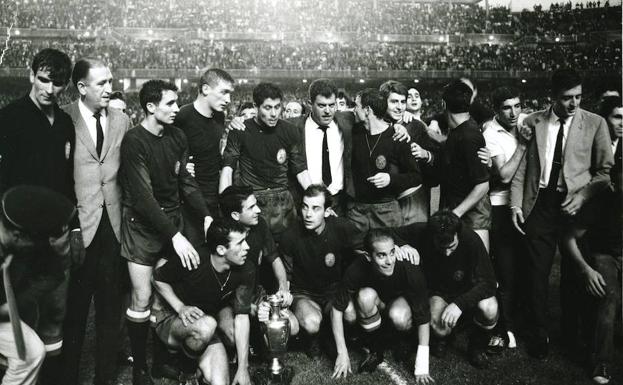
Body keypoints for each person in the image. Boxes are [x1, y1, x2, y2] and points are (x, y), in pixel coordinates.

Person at [510, 69, 613, 359]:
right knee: (536, 273)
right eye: (567, 98)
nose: (574, 103)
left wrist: (582, 196)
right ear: (552, 97)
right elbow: (522, 170)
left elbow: (605, 172)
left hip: (576, 206)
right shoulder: (532, 122)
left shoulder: (595, 123)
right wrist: (516, 205)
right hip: (540, 204)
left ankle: (571, 335)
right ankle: (538, 334)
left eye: (578, 96)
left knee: (573, 274)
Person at [119, 80, 212, 385]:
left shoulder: (177, 136)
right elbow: (144, 199)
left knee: (170, 291)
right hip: (143, 227)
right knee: (143, 297)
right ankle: (140, 368)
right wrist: (175, 235)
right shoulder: (134, 140)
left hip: (172, 222)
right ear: (150, 107)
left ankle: (161, 361)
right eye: (170, 103)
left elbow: (185, 181)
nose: (176, 109)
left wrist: (207, 216)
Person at [0, 48, 83, 384]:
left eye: (58, 83)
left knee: (55, 313)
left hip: (54, 234)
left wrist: (71, 225)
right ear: (32, 75)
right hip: (18, 234)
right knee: (19, 314)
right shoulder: (9, 117)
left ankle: (49, 379)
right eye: (44, 80)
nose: (49, 89)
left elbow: (67, 178)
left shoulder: (64, 123)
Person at [60, 58, 131, 385]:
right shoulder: (63, 118)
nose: (109, 88)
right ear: (81, 87)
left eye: (110, 81)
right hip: (78, 228)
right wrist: (69, 224)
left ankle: (105, 379)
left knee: (108, 311)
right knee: (73, 315)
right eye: (101, 83)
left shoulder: (121, 120)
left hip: (113, 227)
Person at [560, 96, 621, 385]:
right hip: (600, 250)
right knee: (603, 294)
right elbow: (571, 237)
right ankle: (601, 363)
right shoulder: (605, 191)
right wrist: (586, 268)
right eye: (617, 117)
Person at [152, 219, 255, 385]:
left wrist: (243, 368)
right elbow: (157, 278)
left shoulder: (246, 268)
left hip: (205, 324)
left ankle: (195, 360)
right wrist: (180, 307)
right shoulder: (195, 258)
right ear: (221, 249)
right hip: (171, 319)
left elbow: (242, 317)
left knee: (220, 382)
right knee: (207, 326)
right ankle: (186, 371)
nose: (247, 247)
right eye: (241, 243)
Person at [390, 210, 498, 369]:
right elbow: (387, 234)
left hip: (463, 292)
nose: (447, 253)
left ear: (458, 235)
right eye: (442, 247)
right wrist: (402, 245)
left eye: (452, 247)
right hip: (437, 293)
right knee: (440, 329)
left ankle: (477, 345)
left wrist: (459, 304)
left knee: (490, 308)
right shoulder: (422, 230)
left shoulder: (471, 239)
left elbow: (489, 282)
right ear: (432, 236)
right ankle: (437, 337)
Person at [331, 229, 433, 384]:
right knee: (364, 297)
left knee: (398, 315)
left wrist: (422, 365)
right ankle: (375, 349)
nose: (389, 260)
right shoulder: (356, 268)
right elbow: (337, 308)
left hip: (397, 306)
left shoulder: (408, 267)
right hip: (375, 304)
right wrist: (342, 352)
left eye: (392, 253)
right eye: (381, 255)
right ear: (368, 256)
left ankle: (403, 341)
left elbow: (423, 316)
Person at [0, 186, 77, 385]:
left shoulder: (20, 243)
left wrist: (61, 255)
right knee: (28, 353)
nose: (39, 246)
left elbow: (52, 275)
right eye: (35, 241)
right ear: (17, 235)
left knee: (31, 352)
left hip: (4, 310)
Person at [220, 82, 311, 241]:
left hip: (284, 204)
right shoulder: (240, 130)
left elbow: (301, 170)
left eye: (277, 107)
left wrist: (317, 199)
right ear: (255, 106)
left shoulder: (290, 131)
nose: (274, 113)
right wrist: (226, 207)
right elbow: (228, 169)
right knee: (256, 256)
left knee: (288, 255)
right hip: (253, 203)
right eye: (268, 108)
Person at [482, 86, 531, 350]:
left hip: (526, 203)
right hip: (500, 207)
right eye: (506, 107)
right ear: (496, 110)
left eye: (517, 106)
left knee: (527, 268)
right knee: (506, 269)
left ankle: (522, 322)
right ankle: (506, 326)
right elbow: (503, 175)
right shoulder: (491, 133)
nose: (513, 113)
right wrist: (523, 145)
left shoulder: (525, 122)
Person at [175, 68, 234, 244]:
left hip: (215, 194)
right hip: (190, 198)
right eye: (224, 93)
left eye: (230, 94)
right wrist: (181, 166)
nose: (228, 100)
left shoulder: (219, 116)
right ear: (206, 89)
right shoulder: (182, 116)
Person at [348, 88, 421, 232]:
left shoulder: (397, 137)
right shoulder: (355, 132)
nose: (354, 110)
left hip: (387, 213)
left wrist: (391, 179)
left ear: (367, 110)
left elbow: (416, 176)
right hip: (357, 213)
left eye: (356, 106)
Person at [285, 79, 355, 215]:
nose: (328, 111)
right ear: (310, 104)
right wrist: (238, 122)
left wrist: (403, 121)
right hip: (306, 201)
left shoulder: (347, 120)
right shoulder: (293, 126)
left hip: (340, 201)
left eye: (332, 105)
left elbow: (379, 116)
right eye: (322, 105)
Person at [436, 80, 491, 251]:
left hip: (471, 216)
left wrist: (455, 214)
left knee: (479, 271)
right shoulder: (460, 131)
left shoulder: (469, 136)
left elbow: (482, 185)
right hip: (462, 212)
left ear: (443, 104)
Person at [379, 80, 436, 224]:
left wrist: (425, 154)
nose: (399, 107)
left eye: (403, 102)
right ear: (383, 102)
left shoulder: (415, 126)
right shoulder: (374, 124)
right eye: (394, 102)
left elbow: (437, 159)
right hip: (384, 201)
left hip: (412, 200)